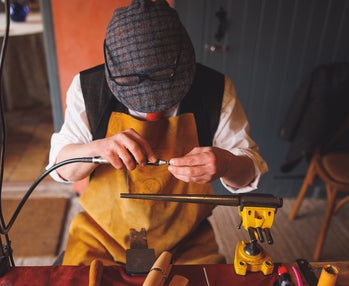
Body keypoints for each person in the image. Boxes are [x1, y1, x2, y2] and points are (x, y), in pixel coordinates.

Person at [47, 0, 268, 266]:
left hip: (185, 243)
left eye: (166, 99)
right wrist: (95, 150)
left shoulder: (215, 90)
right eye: (136, 101)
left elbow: (249, 173)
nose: (152, 113)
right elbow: (59, 169)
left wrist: (227, 163)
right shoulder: (89, 89)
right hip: (101, 237)